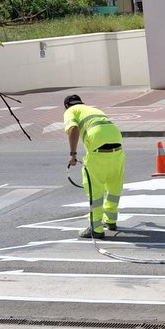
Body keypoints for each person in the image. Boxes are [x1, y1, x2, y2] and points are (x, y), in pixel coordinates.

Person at [63, 94, 126, 238]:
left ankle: (96, 229)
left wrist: (73, 154)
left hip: (97, 151)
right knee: (114, 185)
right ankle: (110, 220)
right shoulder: (93, 110)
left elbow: (73, 129)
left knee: (95, 191)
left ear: (66, 105)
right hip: (117, 148)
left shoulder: (70, 111)